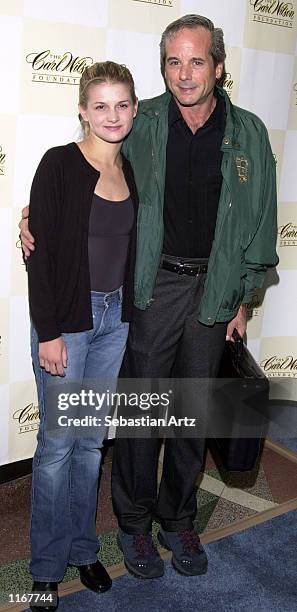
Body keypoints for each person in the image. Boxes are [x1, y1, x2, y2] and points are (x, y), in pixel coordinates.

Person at [20, 14, 278, 582]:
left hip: (212, 289)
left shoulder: (251, 133)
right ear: (163, 69)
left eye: (197, 61)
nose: (185, 74)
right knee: (140, 411)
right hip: (151, 285)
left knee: (190, 409)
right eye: (173, 62)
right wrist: (34, 220)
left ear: (218, 65)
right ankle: (133, 526)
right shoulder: (144, 122)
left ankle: (177, 519)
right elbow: (83, 173)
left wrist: (244, 295)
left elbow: (261, 220)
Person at [24, 61, 138, 611]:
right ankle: (44, 566)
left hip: (115, 323)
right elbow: (42, 255)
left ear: (134, 110)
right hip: (68, 321)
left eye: (122, 105)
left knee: (91, 444)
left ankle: (82, 548)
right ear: (82, 110)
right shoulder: (59, 164)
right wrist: (49, 332)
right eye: (101, 105)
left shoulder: (131, 170)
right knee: (57, 448)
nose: (112, 116)